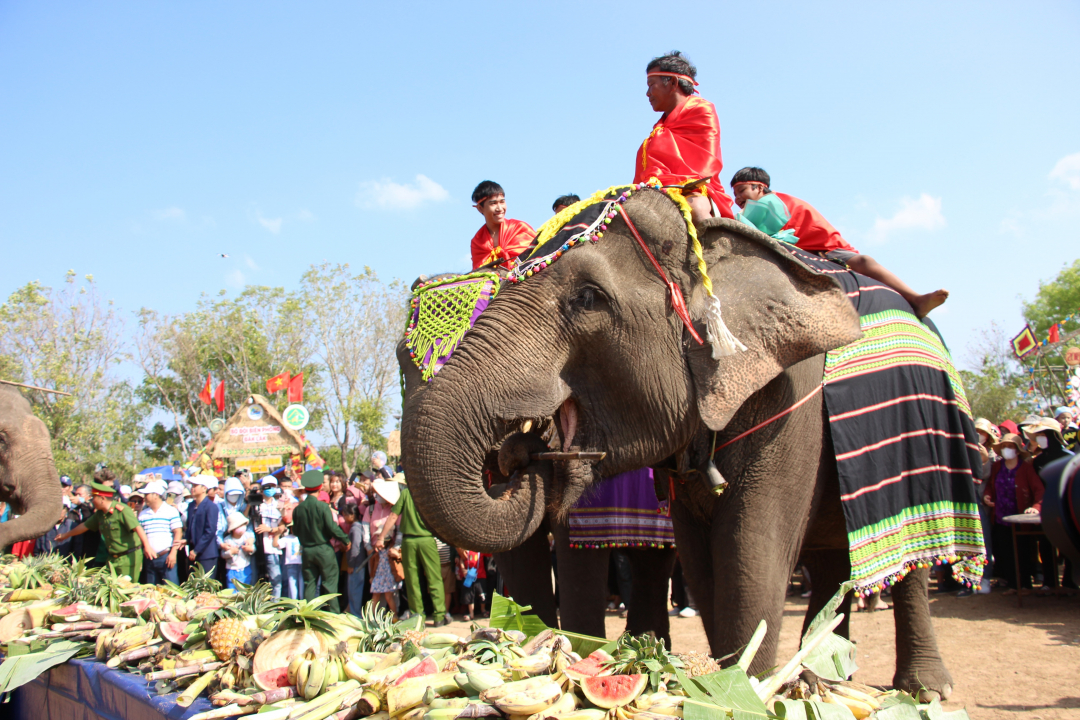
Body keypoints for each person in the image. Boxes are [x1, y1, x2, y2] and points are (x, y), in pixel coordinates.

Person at [729, 167, 948, 318]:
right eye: (735, 194)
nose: (737, 199)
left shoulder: (769, 204)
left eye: (741, 191)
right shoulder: (766, 205)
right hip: (805, 252)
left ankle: (915, 299)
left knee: (863, 261)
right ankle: (914, 299)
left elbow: (757, 237)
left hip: (823, 252)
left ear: (759, 187)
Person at [635, 52, 735, 222]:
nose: (647, 93)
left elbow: (707, 164)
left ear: (672, 82)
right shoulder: (659, 127)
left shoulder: (702, 110)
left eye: (651, 85)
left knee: (696, 209)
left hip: (694, 188)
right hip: (654, 189)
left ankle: (711, 247)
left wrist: (669, 185)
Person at [374, 474, 447, 626]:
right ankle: (439, 615)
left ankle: (417, 616)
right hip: (427, 540)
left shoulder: (406, 494)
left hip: (409, 541)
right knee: (434, 578)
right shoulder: (428, 494)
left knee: (412, 581)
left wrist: (381, 537)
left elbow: (393, 516)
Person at [54, 481, 156, 580]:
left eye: (94, 498)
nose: (92, 501)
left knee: (126, 589)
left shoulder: (122, 510)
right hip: (112, 558)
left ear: (102, 499)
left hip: (128, 558)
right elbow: (84, 526)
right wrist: (66, 535)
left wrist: (147, 546)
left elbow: (137, 527)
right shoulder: (100, 514)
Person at [983, 433, 1043, 594]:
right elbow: (990, 485)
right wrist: (987, 495)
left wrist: (1036, 507)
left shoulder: (1026, 468)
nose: (1006, 449)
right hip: (1001, 517)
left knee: (1023, 552)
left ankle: (1025, 585)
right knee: (1005, 552)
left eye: (1009, 447)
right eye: (1003, 447)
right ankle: (1013, 585)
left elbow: (1039, 490)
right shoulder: (997, 467)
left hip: (1020, 518)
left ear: (1017, 450)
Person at [293, 470, 351, 613]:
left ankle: (307, 615)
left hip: (307, 550)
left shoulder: (298, 509)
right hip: (324, 549)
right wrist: (345, 539)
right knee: (329, 585)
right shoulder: (322, 506)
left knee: (309, 585)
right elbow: (332, 528)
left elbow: (296, 531)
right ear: (320, 487)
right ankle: (334, 618)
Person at [469, 181, 536, 271]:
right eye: (493, 203)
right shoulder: (477, 241)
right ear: (480, 208)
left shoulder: (519, 228)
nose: (499, 208)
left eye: (502, 202)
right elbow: (479, 273)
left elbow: (537, 259)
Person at [367, 478, 401, 617]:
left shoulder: (395, 510)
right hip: (378, 567)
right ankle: (372, 618)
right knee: (375, 596)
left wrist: (396, 547)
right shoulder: (371, 509)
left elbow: (399, 531)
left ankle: (394, 617)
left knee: (388, 595)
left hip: (388, 563)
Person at [138, 481, 183, 585]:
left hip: (166, 557)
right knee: (152, 592)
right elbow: (141, 535)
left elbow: (178, 532)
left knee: (171, 591)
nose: (144, 497)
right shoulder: (143, 514)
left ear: (156, 495)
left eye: (147, 494)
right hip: (149, 558)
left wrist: (173, 553)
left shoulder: (170, 511)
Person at [252, 476, 285, 597]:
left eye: (272, 486)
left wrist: (270, 529)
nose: (269, 489)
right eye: (267, 486)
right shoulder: (256, 505)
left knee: (276, 579)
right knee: (258, 579)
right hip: (258, 547)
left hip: (273, 548)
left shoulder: (279, 505)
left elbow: (283, 527)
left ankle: (275, 604)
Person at [186, 475, 221, 575]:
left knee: (206, 586)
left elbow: (210, 531)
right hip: (192, 553)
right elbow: (190, 527)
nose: (192, 488)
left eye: (195, 486)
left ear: (204, 488)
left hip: (207, 554)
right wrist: (186, 540)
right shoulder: (191, 506)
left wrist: (197, 550)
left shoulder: (211, 507)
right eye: (192, 485)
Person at [344, 503, 367, 616]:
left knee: (355, 592)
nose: (344, 518)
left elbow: (356, 547)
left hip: (357, 565)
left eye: (345, 515)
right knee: (353, 591)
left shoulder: (356, 528)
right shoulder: (356, 527)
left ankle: (356, 616)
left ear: (352, 515)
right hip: (357, 564)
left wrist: (351, 564)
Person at [222, 513, 256, 589]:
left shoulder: (247, 537)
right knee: (233, 592)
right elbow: (223, 554)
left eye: (244, 525)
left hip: (245, 568)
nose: (243, 527)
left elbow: (253, 548)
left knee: (246, 590)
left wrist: (250, 549)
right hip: (232, 570)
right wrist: (231, 552)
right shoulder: (227, 540)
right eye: (240, 526)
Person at [280, 528, 304, 600]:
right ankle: (294, 605)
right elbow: (276, 544)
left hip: (302, 563)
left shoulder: (304, 536)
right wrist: (278, 533)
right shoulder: (287, 538)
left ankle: (302, 605)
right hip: (291, 564)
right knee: (292, 586)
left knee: (302, 586)